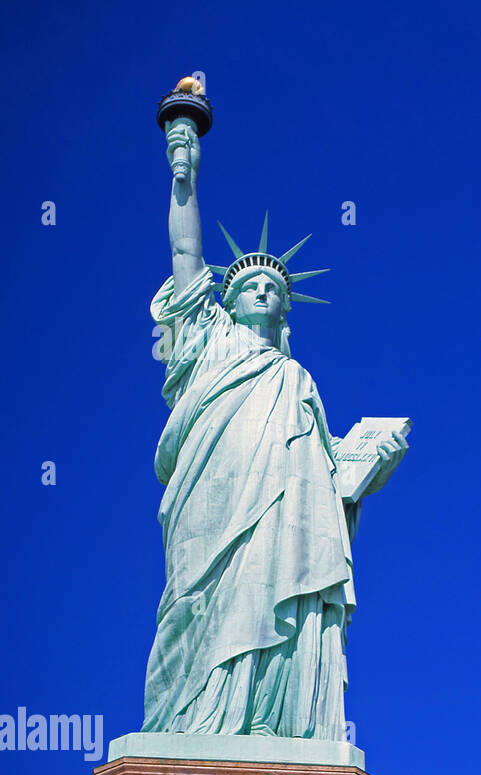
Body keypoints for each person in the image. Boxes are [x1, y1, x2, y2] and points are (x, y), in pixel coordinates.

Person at [142, 116, 406, 740]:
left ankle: (272, 720)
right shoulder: (208, 341)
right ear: (227, 301)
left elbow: (325, 470)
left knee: (274, 590)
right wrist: (185, 171)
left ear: (285, 308)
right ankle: (191, 718)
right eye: (250, 285)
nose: (262, 291)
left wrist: (372, 461)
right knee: (198, 599)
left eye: (272, 287)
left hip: (285, 512)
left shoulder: (300, 381)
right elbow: (185, 254)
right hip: (214, 495)